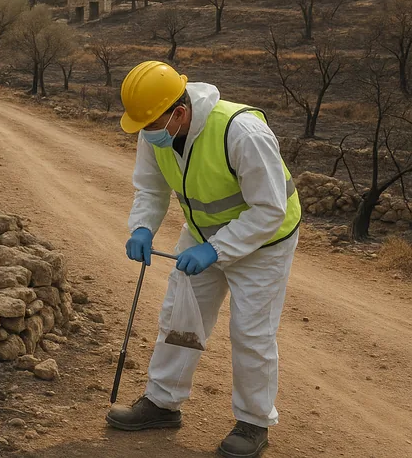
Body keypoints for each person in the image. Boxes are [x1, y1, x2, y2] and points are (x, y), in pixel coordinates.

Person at [106, 61, 301, 458]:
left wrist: (217, 249)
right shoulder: (154, 127)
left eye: (151, 124)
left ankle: (253, 422)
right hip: (201, 235)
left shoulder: (241, 132)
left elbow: (269, 210)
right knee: (181, 316)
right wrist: (142, 227)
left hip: (264, 243)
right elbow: (150, 186)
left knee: (251, 334)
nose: (145, 133)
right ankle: (162, 403)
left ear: (179, 112)